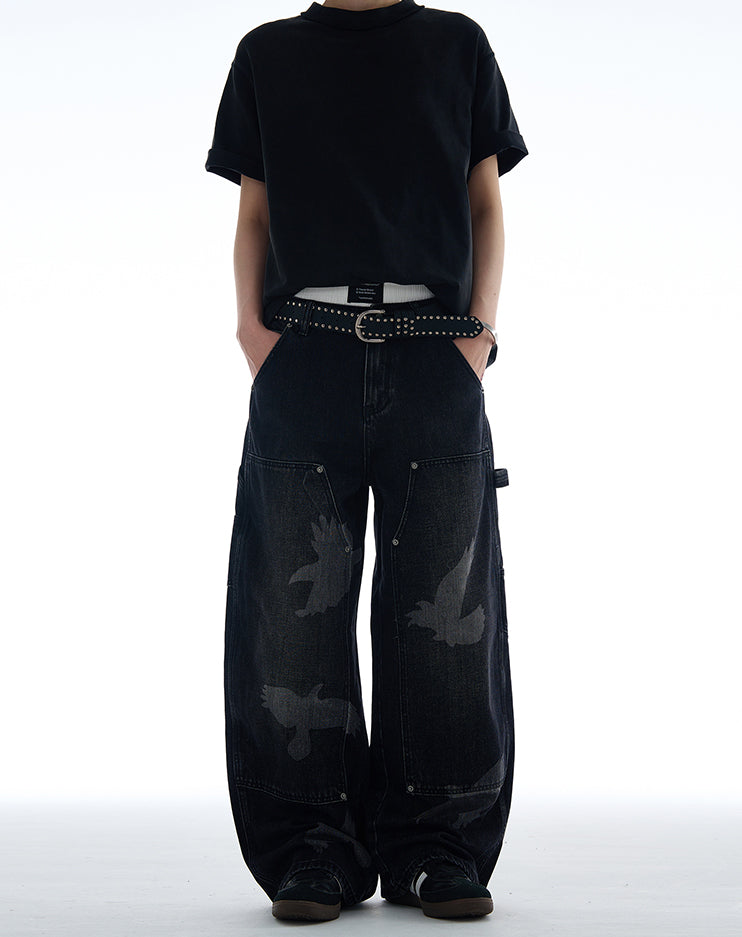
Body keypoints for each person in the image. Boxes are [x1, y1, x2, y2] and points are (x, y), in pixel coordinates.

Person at [205, 0, 528, 922]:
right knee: (288, 609)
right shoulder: (267, 54)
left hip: (435, 347)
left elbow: (485, 201)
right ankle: (311, 847)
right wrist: (254, 335)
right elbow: (254, 211)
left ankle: (438, 845)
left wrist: (477, 336)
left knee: (445, 609)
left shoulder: (458, 46)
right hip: (302, 348)